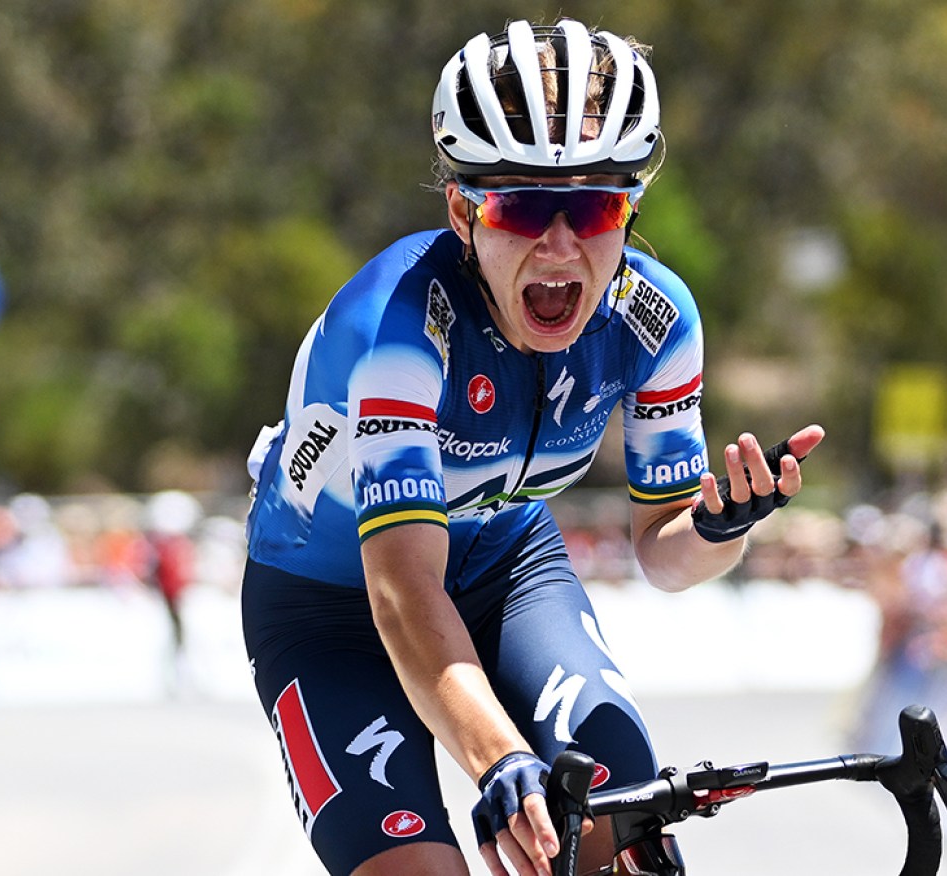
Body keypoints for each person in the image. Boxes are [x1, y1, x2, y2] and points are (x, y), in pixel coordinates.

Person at [240, 18, 824, 876]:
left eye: (591, 206)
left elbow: (661, 557)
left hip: (509, 574)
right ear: (461, 210)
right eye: (519, 206)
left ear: (627, 208)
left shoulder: (654, 321)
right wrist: (498, 760)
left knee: (622, 838)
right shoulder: (396, 332)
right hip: (333, 610)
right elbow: (401, 592)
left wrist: (718, 527)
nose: (559, 247)